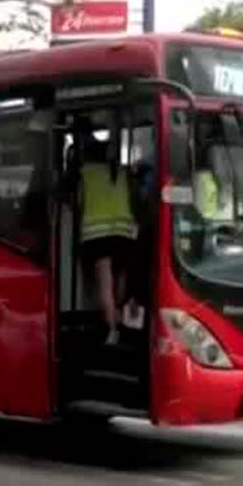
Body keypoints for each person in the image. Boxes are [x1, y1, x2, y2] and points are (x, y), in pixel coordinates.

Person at [78, 133, 138, 346]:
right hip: (125, 234)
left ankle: (113, 329)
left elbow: (77, 201)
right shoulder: (121, 172)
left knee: (105, 285)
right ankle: (122, 317)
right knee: (120, 279)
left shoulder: (85, 174)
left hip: (98, 236)